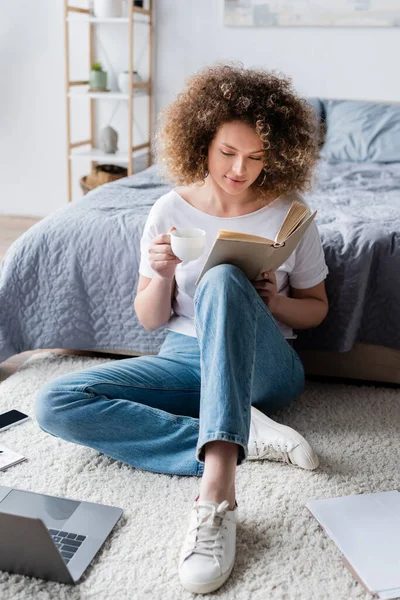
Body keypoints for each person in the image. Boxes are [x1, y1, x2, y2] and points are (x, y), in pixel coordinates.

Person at [35, 63, 329, 594]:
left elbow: (318, 309)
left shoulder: (291, 215)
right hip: (184, 359)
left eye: (257, 157)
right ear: (203, 141)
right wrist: (163, 273)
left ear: (278, 154)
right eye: (228, 152)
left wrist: (276, 304)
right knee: (54, 402)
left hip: (265, 368)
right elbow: (149, 319)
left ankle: (217, 492)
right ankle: (243, 435)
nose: (241, 169)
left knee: (221, 280)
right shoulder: (169, 208)